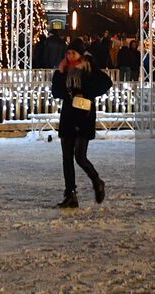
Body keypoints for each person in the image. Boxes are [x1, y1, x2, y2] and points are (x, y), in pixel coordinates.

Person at [50, 40, 112, 207]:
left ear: (80, 54)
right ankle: (70, 194)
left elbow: (107, 83)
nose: (70, 56)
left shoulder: (88, 69)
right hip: (68, 115)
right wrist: (59, 73)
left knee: (80, 156)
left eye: (73, 53)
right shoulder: (64, 70)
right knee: (67, 157)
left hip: (83, 115)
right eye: (68, 53)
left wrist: (85, 94)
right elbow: (56, 92)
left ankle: (97, 181)